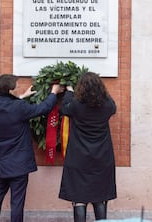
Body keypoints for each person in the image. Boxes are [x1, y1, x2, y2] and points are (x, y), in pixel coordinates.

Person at [0, 74, 64, 222]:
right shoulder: (19, 107)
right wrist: (54, 92)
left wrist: (21, 97)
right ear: (10, 90)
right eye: (17, 86)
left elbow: (8, 109)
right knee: (17, 203)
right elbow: (43, 108)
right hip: (18, 165)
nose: (19, 87)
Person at [58, 72, 117, 222]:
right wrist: (102, 93)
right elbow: (113, 106)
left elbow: (64, 108)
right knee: (100, 197)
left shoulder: (77, 105)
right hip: (102, 158)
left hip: (79, 158)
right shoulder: (107, 105)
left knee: (79, 199)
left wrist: (70, 92)